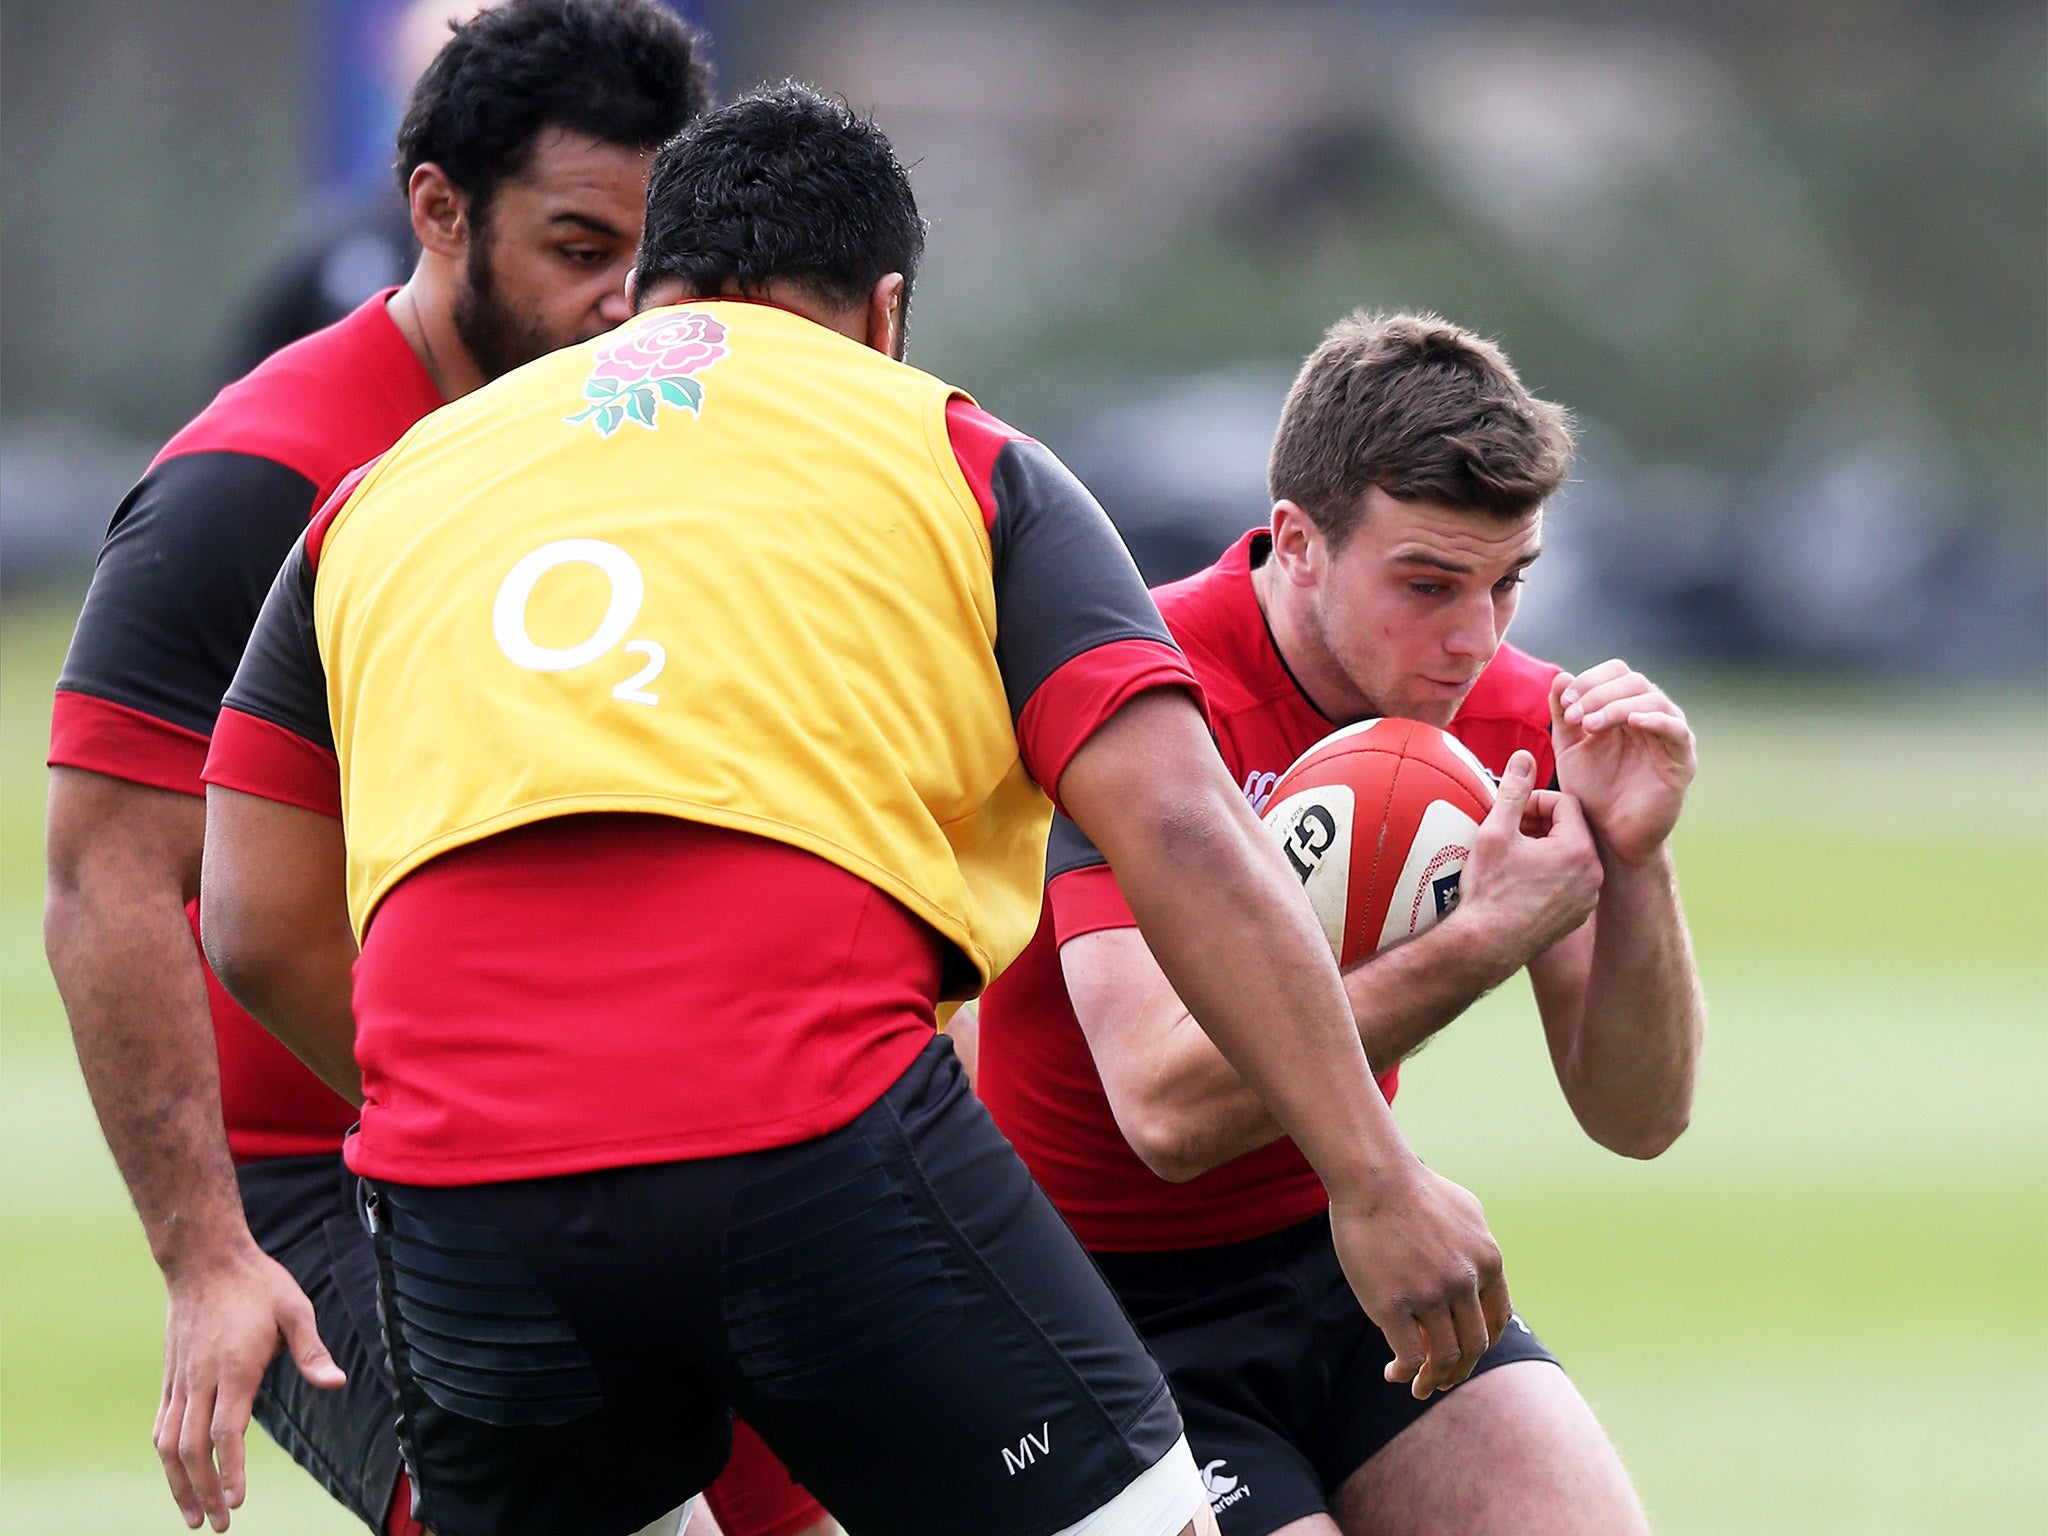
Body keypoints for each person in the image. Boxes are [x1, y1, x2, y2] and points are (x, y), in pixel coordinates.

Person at [196, 85, 1513, 1536]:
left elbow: (253, 920)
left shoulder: (379, 495)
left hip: (458, 1186)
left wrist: (499, 1107)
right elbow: (1186, 830)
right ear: (887, 313)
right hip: (805, 1128)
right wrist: (1373, 1178)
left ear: (642, 289)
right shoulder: (958, 453)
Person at [39, 5, 763, 1534]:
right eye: (576, 246)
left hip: (618, 1132)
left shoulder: (646, 435)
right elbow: (103, 874)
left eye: (650, 257)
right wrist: (206, 1254)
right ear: (437, 210)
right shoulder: (251, 483)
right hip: (329, 1165)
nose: (619, 304)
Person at [976, 311, 1707, 1536]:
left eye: (1506, 582)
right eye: (1425, 585)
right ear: (1298, 543)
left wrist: (1633, 870)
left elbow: (1637, 1116)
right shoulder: (1136, 688)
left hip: (1345, 1266)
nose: (1473, 640)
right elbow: (1163, 1108)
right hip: (1091, 1309)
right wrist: (1477, 942)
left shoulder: (1520, 721)